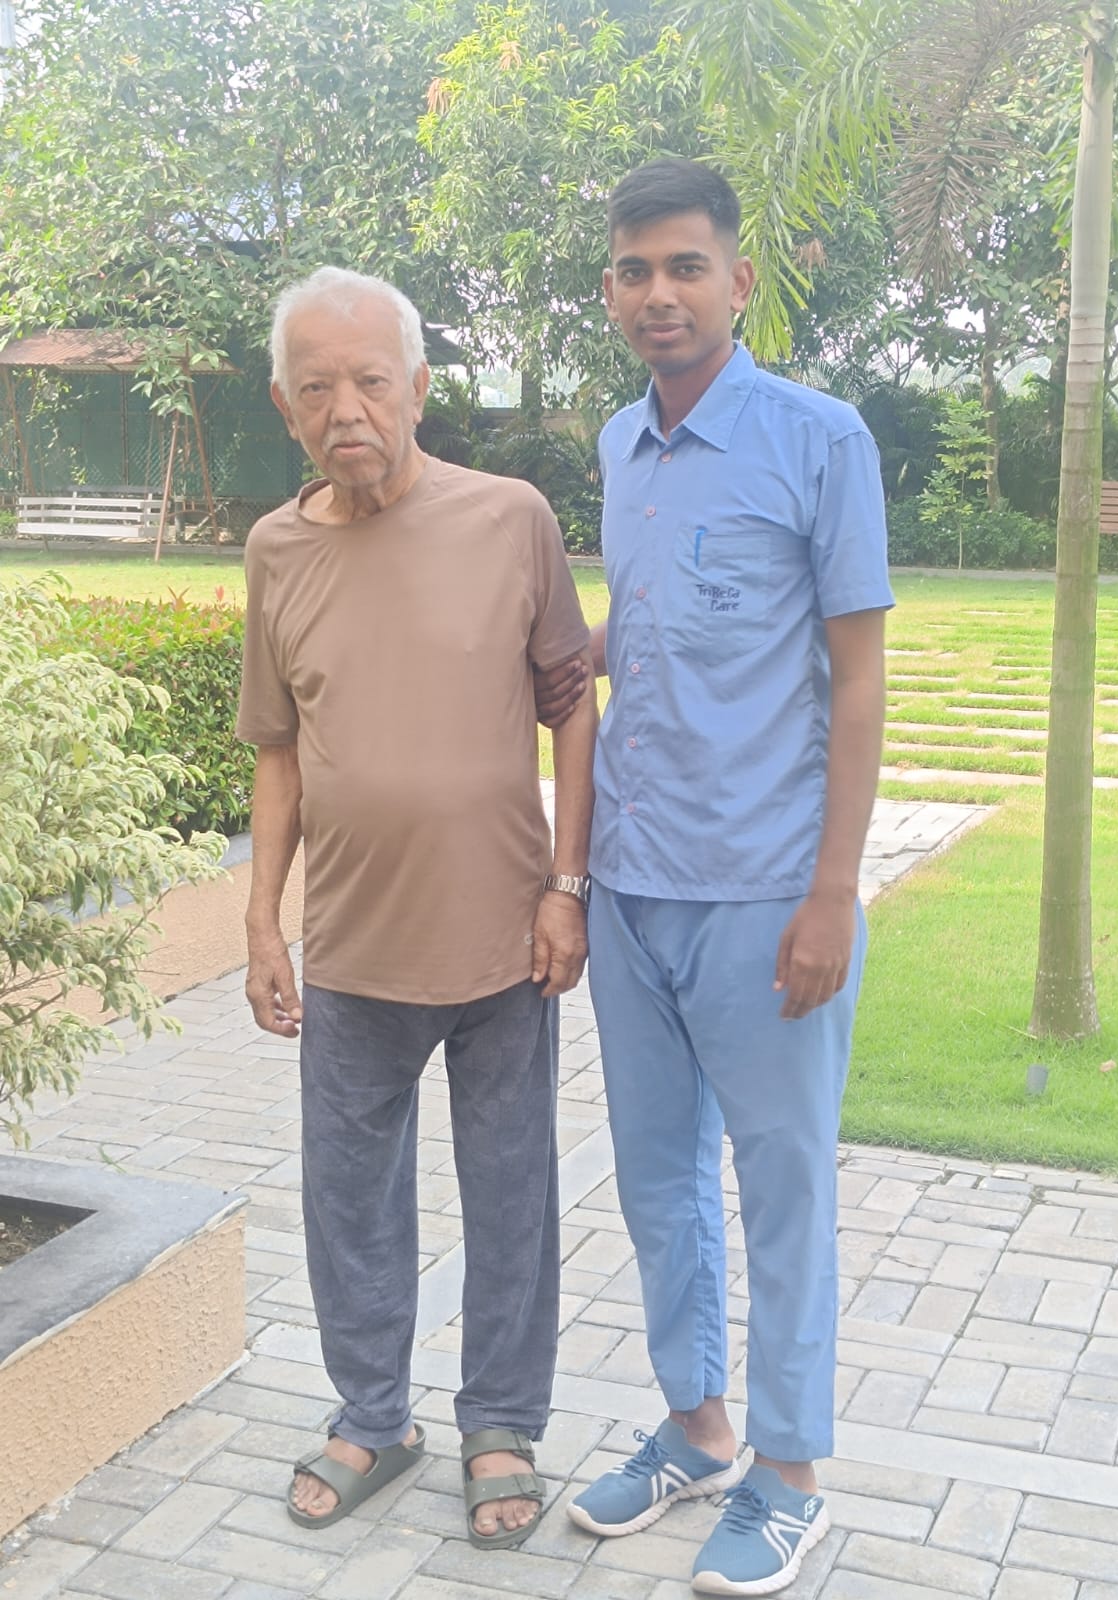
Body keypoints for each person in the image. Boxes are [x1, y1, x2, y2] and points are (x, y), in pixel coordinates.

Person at [539, 159, 893, 1595]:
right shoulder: (622, 444)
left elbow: (859, 682)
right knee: (657, 1182)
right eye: (632, 271)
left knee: (782, 1183)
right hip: (630, 880)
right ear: (611, 291)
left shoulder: (821, 439)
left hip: (765, 888)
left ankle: (790, 1471)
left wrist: (833, 891)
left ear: (741, 281)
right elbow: (660, 623)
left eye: (685, 266)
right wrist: (576, 652)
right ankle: (695, 1425)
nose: (657, 294)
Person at [236, 266, 597, 1550]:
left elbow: (569, 704)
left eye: (372, 380)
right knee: (350, 1201)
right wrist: (261, 917)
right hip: (348, 952)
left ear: (419, 388)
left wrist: (569, 886)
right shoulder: (276, 551)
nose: (350, 408)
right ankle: (374, 1414)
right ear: (286, 405)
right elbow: (276, 746)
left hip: (506, 942)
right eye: (319, 386)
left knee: (510, 1196)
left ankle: (502, 1418)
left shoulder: (511, 518)